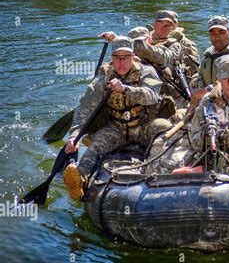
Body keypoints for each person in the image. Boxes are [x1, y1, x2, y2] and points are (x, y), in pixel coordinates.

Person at [63, 36, 172, 200]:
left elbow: (152, 96)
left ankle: (167, 172)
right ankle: (80, 178)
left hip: (143, 127)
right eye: (117, 58)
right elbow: (86, 106)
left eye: (126, 57)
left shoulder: (146, 71)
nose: (121, 62)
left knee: (163, 126)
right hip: (117, 129)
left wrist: (126, 89)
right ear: (111, 58)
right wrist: (75, 135)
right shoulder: (104, 77)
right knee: (96, 144)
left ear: (133, 57)